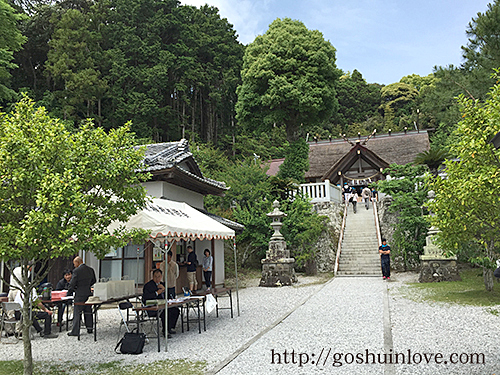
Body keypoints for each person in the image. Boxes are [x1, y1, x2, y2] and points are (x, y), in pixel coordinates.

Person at [143, 269, 180, 337]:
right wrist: (156, 293)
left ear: (161, 277)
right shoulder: (148, 285)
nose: (157, 278)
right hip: (153, 307)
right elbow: (145, 297)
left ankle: (170, 327)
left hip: (163, 305)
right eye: (155, 277)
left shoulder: (163, 284)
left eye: (159, 277)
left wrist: (164, 289)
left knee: (175, 310)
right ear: (152, 277)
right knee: (165, 312)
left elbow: (168, 296)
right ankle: (165, 331)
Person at [67, 256, 96, 337]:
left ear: (77, 262)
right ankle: (89, 328)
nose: (74, 265)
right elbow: (94, 280)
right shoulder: (90, 269)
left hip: (79, 294)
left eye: (74, 264)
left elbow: (72, 283)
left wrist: (70, 291)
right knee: (88, 311)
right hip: (88, 292)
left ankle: (75, 331)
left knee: (77, 312)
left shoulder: (76, 271)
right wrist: (87, 285)